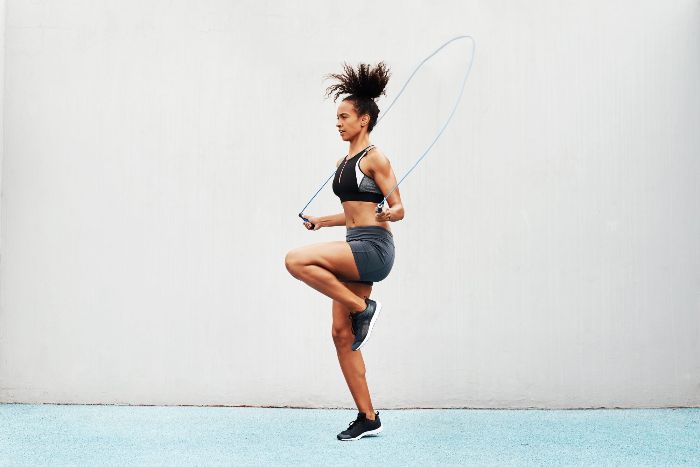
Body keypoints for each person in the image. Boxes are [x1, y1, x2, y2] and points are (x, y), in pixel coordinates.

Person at [284, 62, 405, 441]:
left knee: (296, 260)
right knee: (341, 336)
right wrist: (322, 221)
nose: (337, 123)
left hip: (374, 247)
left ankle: (362, 308)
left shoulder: (375, 158)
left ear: (364, 120)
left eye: (344, 117)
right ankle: (368, 416)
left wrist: (392, 212)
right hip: (355, 244)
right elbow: (353, 212)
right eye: (336, 117)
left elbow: (398, 205)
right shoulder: (343, 163)